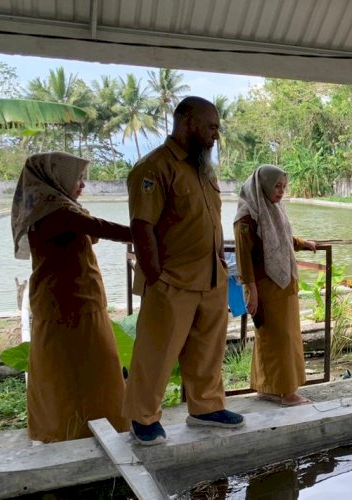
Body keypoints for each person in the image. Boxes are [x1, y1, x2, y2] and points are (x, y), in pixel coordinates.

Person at [123, 96, 244, 445]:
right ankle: (143, 416)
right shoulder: (154, 167)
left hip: (211, 277)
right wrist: (155, 274)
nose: (216, 136)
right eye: (211, 127)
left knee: (208, 350)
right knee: (157, 351)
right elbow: (141, 226)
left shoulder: (201, 169)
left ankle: (206, 408)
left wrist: (220, 263)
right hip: (172, 280)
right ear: (188, 122)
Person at [11, 152, 131, 442]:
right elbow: (104, 230)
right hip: (69, 303)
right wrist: (154, 233)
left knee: (68, 369)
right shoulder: (58, 212)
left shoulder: (48, 208)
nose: (82, 185)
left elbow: (92, 234)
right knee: (83, 369)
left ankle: (70, 427)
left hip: (73, 301)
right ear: (57, 178)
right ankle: (81, 428)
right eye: (77, 178)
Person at [233, 165, 316, 406]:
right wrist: (252, 291)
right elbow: (243, 257)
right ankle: (285, 392)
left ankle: (268, 388)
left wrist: (303, 243)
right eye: (276, 186)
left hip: (283, 283)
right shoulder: (247, 216)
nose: (281, 191)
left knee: (281, 336)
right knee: (277, 338)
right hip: (264, 286)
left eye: (283, 187)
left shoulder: (272, 209)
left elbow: (280, 238)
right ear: (263, 186)